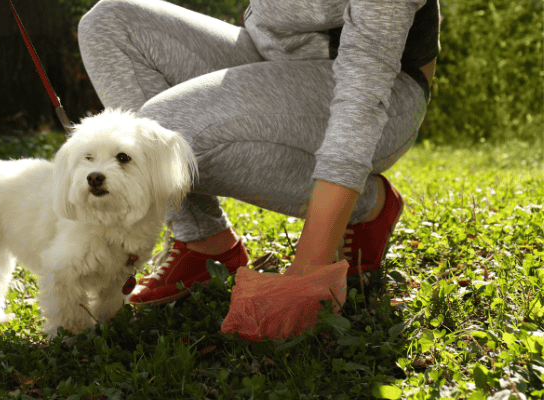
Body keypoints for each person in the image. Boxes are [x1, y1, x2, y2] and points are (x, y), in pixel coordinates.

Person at [77, 0, 439, 307]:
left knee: (159, 136)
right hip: (264, 54)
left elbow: (365, 88)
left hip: (384, 88)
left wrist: (311, 265)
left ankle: (368, 204)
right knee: (108, 22)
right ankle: (204, 239)